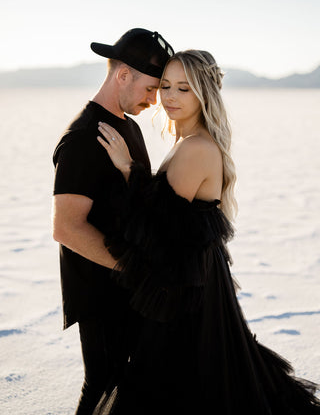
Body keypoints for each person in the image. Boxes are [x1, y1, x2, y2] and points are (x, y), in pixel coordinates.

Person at [90, 49, 319, 414]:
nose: (169, 96)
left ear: (204, 94)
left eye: (184, 88)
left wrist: (129, 170)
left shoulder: (196, 147)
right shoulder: (186, 141)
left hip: (189, 293)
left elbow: (161, 229)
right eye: (165, 86)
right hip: (189, 280)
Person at [52, 28, 174, 414]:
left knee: (134, 388)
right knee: (104, 387)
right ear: (123, 75)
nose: (155, 101)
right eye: (151, 89)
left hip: (130, 288)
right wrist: (134, 269)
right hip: (101, 291)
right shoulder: (84, 137)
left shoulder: (128, 126)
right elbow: (67, 227)